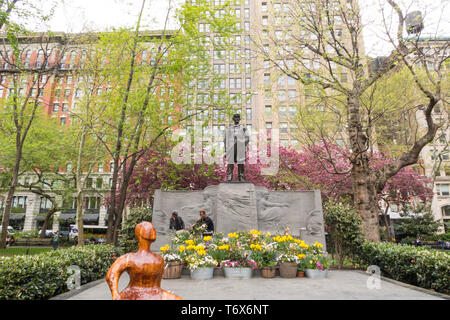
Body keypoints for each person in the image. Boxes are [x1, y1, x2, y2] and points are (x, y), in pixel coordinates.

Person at [224, 113, 249, 181]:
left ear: (240, 119)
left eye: (238, 117)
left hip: (240, 148)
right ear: (233, 119)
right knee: (230, 162)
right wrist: (225, 150)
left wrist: (240, 141)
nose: (237, 119)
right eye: (235, 117)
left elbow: (247, 138)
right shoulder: (229, 128)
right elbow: (225, 140)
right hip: (231, 148)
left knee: (240, 163)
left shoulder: (244, 128)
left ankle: (241, 176)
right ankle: (229, 176)